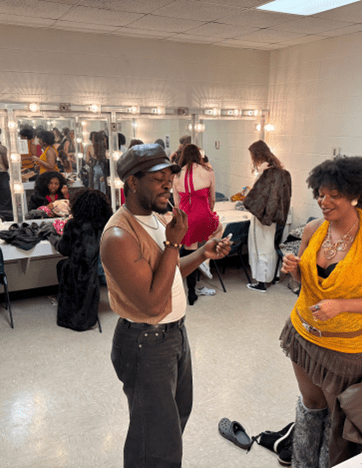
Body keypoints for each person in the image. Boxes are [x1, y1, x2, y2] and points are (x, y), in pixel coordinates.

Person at [100, 144, 231, 468]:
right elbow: (151, 301)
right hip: (146, 342)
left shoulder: (156, 219)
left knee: (175, 418)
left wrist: (201, 253)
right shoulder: (119, 235)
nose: (168, 187)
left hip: (173, 335)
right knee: (156, 440)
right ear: (132, 182)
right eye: (158, 180)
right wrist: (174, 241)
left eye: (169, 179)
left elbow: (166, 273)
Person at [280, 156, 362, 467]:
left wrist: (342, 306)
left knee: (340, 419)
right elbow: (306, 282)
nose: (324, 202)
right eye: (320, 194)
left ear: (356, 195)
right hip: (303, 335)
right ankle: (303, 461)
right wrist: (294, 269)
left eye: (334, 195)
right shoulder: (313, 229)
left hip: (346, 349)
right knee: (311, 405)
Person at [56, 189, 112, 331]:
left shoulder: (74, 225)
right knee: (64, 265)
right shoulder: (108, 224)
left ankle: (69, 302)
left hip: (86, 273)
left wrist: (54, 238)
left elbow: (63, 250)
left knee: (63, 265)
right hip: (107, 271)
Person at [173, 144, 221, 305]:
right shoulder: (208, 171)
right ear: (198, 155)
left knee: (189, 251)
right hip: (202, 214)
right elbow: (212, 199)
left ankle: (191, 292)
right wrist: (209, 214)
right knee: (219, 228)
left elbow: (176, 204)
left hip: (186, 217)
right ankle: (206, 260)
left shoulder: (177, 175)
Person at [243, 140, 292, 292]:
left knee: (259, 247)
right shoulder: (280, 170)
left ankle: (261, 282)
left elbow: (258, 193)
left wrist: (259, 173)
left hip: (262, 216)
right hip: (273, 216)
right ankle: (273, 276)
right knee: (270, 246)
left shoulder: (266, 170)